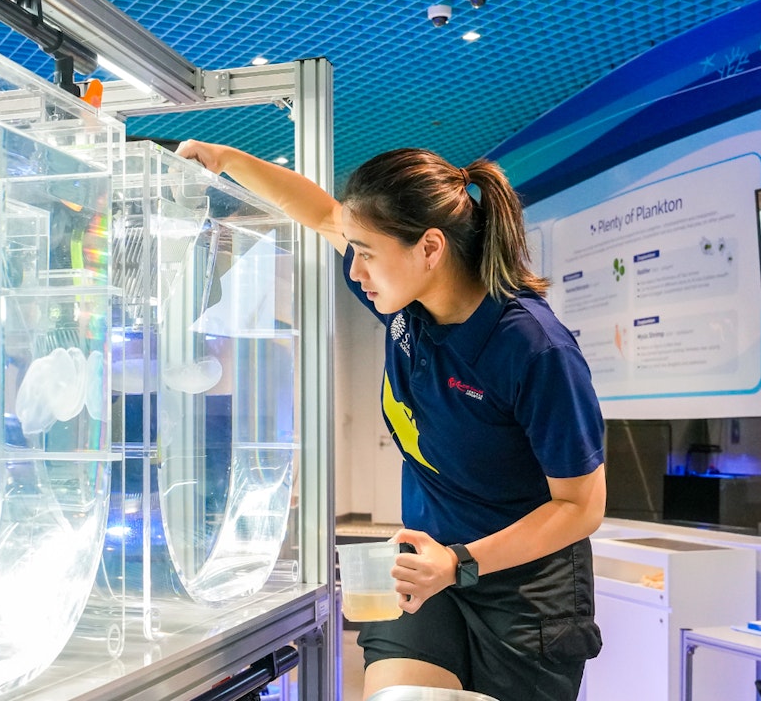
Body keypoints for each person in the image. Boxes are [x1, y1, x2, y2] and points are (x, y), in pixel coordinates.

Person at [176, 140, 606, 701]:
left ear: (430, 248)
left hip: (523, 596)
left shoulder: (534, 350)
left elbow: (581, 506)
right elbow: (324, 213)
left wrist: (460, 563)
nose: (353, 268)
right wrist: (225, 160)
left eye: (366, 252)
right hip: (423, 573)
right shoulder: (407, 307)